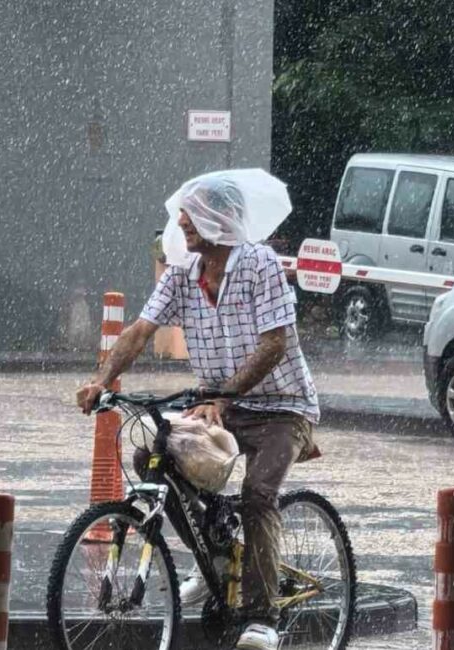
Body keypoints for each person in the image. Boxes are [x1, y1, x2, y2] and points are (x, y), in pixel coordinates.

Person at [75, 173, 319, 650]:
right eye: (182, 213)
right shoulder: (183, 273)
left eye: (193, 213)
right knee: (152, 459)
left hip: (282, 408)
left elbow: (275, 344)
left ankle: (262, 617)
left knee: (258, 492)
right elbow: (141, 330)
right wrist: (101, 382)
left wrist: (225, 396)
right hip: (218, 404)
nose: (181, 221)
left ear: (221, 219)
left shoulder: (259, 264)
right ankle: (219, 559)